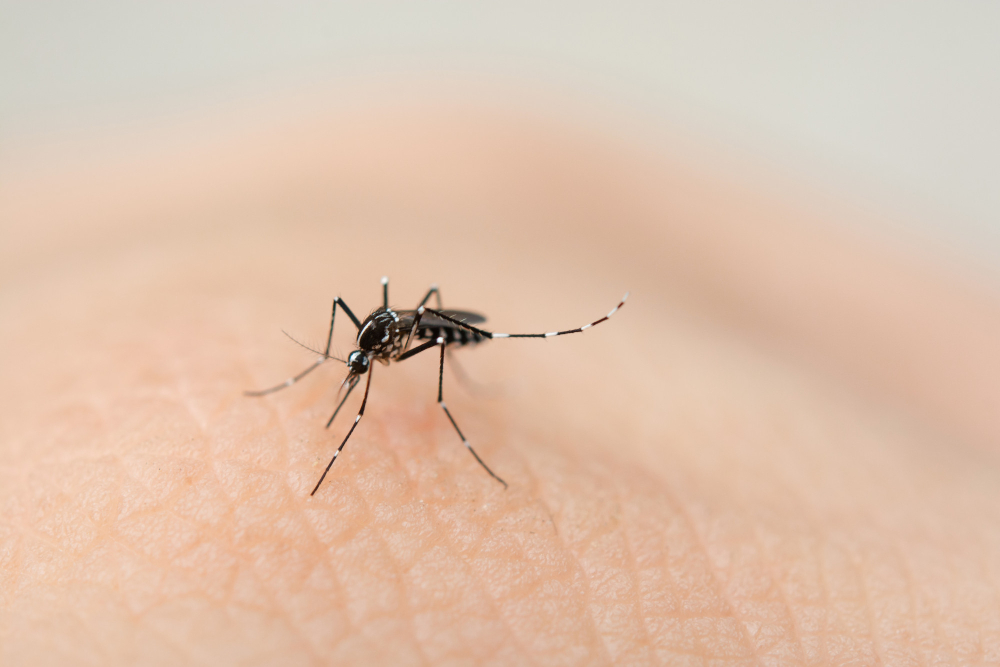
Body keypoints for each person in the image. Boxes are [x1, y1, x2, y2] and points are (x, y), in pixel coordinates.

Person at [2, 99, 998, 665]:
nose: (358, 367)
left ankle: (466, 417)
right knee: (378, 306)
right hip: (416, 308)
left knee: (422, 335)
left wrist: (429, 375)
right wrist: (319, 367)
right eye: (352, 362)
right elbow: (358, 337)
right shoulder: (362, 333)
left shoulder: (408, 334)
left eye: (356, 363)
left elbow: (416, 328)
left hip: (453, 325)